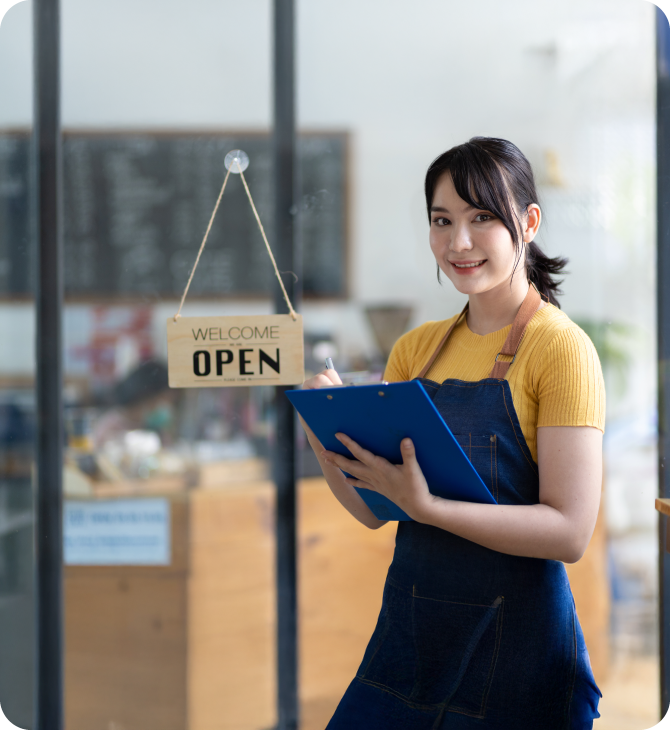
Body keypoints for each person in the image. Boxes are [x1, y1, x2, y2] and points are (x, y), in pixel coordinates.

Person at [300, 137, 604, 729]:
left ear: (528, 222)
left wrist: (431, 508)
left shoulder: (560, 348)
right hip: (412, 641)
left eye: (481, 218)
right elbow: (373, 511)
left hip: (521, 654)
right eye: (442, 221)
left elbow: (569, 532)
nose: (457, 243)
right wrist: (322, 426)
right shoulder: (416, 349)